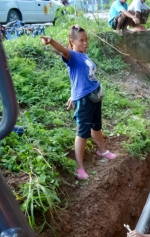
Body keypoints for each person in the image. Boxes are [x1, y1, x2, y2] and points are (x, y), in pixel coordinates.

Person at [41, 25, 116, 180]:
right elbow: (63, 50)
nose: (85, 43)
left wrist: (72, 95)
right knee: (82, 132)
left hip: (94, 97)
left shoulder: (84, 56)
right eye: (81, 40)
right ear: (72, 41)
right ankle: (80, 167)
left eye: (86, 39)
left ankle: (102, 150)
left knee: (97, 126)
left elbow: (79, 79)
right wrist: (51, 41)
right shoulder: (73, 55)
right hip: (84, 100)